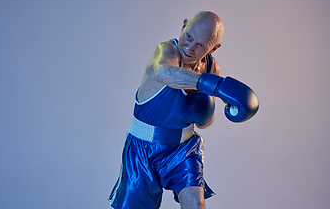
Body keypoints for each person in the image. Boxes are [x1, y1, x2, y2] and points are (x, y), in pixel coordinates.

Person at [109, 11, 258, 209]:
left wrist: (203, 112)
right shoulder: (166, 51)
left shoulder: (211, 68)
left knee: (196, 203)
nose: (189, 47)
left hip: (183, 148)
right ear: (184, 25)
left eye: (200, 45)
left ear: (214, 48)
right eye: (188, 37)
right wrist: (212, 85)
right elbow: (163, 72)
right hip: (143, 148)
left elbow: (205, 123)